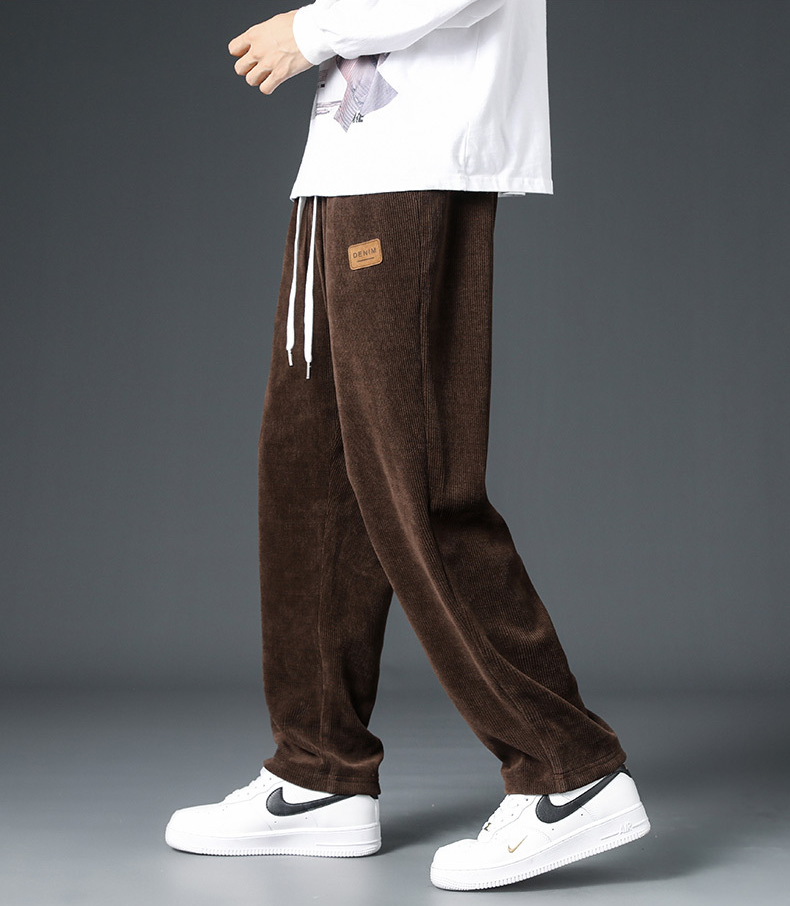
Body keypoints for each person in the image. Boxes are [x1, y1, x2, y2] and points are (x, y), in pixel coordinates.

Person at [164, 0, 650, 891]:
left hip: (414, 157)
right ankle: (319, 770)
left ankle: (569, 769)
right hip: (349, 162)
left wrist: (312, 31)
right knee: (310, 472)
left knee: (414, 480)